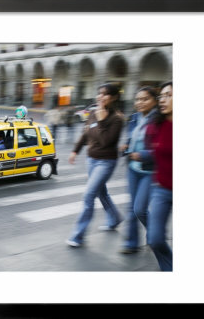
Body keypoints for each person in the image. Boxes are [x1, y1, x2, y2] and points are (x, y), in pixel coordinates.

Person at [66, 83, 124, 247]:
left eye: (105, 94)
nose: (100, 96)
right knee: (101, 193)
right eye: (99, 93)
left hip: (106, 162)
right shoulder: (92, 112)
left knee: (89, 195)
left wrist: (101, 120)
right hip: (91, 160)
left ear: (114, 97)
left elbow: (106, 141)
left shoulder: (117, 119)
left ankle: (78, 235)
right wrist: (75, 151)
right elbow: (86, 134)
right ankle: (115, 218)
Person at [118, 86, 158, 254]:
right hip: (133, 169)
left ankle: (155, 234)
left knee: (139, 209)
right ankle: (132, 243)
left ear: (154, 101)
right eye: (138, 99)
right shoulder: (134, 117)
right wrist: (126, 144)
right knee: (132, 208)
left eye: (145, 99)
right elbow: (130, 135)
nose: (140, 102)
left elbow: (161, 148)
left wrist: (141, 155)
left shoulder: (160, 119)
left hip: (149, 171)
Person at [145, 81, 173, 271]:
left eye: (169, 95)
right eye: (161, 96)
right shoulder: (157, 124)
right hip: (162, 188)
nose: (163, 99)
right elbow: (152, 151)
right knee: (154, 239)